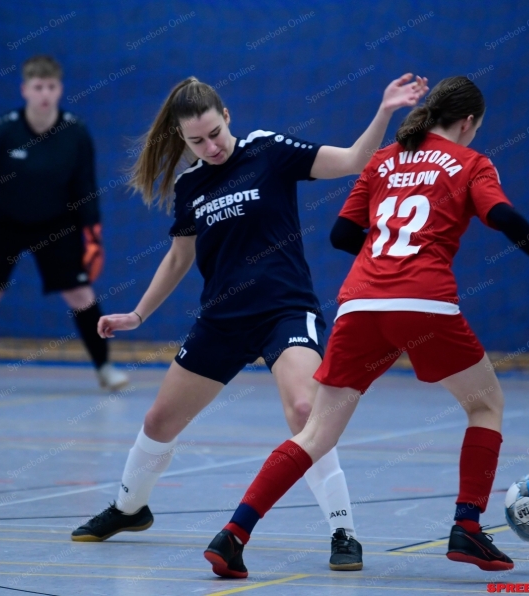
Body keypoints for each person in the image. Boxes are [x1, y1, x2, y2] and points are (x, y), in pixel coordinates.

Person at [204, 75, 529, 577]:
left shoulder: (384, 160)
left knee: (315, 432)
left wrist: (384, 268)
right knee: (486, 404)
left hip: (360, 304)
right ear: (467, 123)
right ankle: (467, 527)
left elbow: (341, 234)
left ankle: (233, 535)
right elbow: (505, 217)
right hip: (423, 303)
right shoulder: (471, 163)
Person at [70, 73, 429, 572]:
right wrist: (137, 313)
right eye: (196, 140)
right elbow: (178, 259)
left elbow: (352, 160)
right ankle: (130, 509)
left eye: (215, 132)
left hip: (285, 310)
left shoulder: (267, 150)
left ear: (227, 118)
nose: (210, 146)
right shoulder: (190, 184)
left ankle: (344, 531)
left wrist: (385, 111)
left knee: (307, 411)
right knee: (158, 421)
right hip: (222, 319)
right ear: (182, 139)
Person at [0, 55, 128, 393]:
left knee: (80, 293)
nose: (45, 93)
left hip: (56, 223)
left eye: (51, 86)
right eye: (37, 87)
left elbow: (86, 187)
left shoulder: (75, 132)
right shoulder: (2, 130)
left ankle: (105, 368)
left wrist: (93, 233)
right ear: (25, 90)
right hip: (2, 221)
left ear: (59, 89)